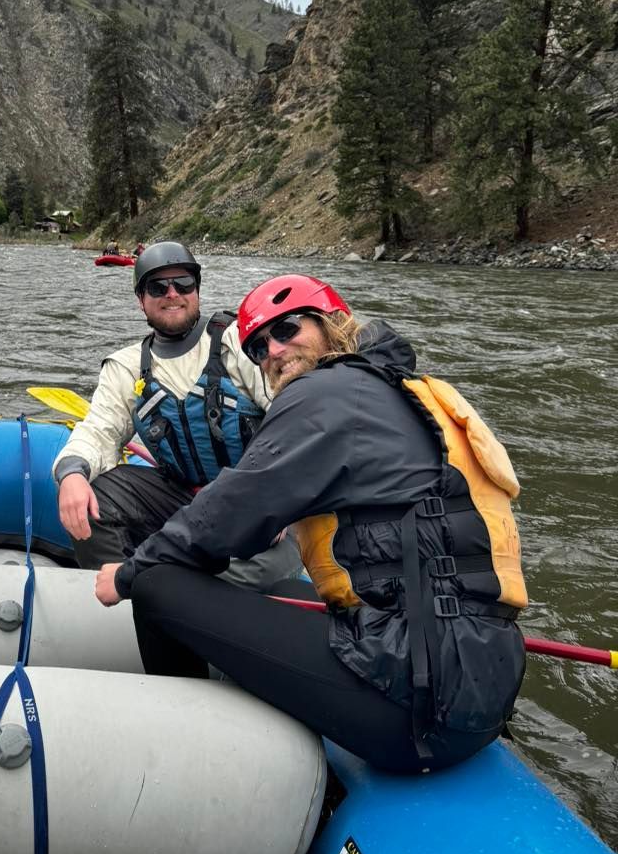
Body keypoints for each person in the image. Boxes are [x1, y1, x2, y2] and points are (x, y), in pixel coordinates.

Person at [94, 274, 527, 774]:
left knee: (156, 583)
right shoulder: (401, 388)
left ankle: (180, 755)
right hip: (477, 677)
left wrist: (126, 575)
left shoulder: (323, 391)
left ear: (332, 324)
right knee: (280, 586)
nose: (273, 352)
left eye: (288, 329)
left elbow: (223, 519)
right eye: (258, 346)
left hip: (414, 701)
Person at [55, 241, 301, 589]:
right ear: (141, 299)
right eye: (158, 287)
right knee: (97, 495)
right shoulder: (126, 367)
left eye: (183, 284)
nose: (172, 294)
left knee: (262, 566)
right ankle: (127, 601)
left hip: (255, 497)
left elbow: (290, 414)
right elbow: (99, 431)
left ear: (196, 291)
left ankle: (175, 591)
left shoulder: (239, 341)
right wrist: (71, 473)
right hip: (183, 498)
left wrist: (275, 497)